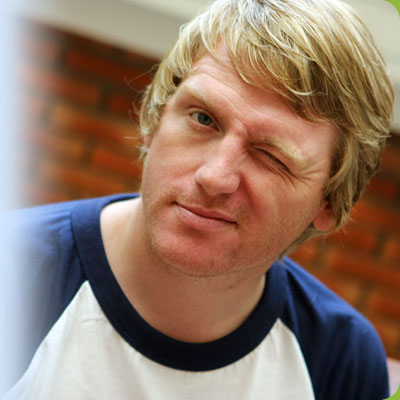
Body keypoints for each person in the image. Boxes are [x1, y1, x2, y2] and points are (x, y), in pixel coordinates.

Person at [4, 0, 394, 398]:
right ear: (155, 119)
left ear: (329, 202)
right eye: (203, 119)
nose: (214, 177)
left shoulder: (339, 360)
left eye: (271, 156)